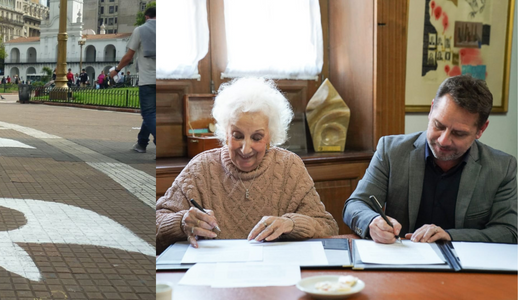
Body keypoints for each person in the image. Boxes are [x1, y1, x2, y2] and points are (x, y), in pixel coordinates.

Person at [155, 77, 339, 254]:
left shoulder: (290, 166)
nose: (246, 148)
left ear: (271, 136)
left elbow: (328, 227)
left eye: (257, 138)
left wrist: (292, 224)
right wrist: (181, 222)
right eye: (237, 135)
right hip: (215, 276)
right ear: (225, 133)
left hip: (275, 274)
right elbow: (155, 223)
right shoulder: (200, 168)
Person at [343, 74, 516, 244]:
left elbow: (509, 231)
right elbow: (355, 205)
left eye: (458, 133)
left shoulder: (501, 167)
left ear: (481, 129)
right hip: (402, 262)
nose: (443, 140)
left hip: (465, 268)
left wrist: (450, 236)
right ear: (431, 109)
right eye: (438, 126)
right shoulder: (391, 150)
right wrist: (372, 221)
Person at [111, 6, 156, 153]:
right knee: (152, 114)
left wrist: (116, 70)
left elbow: (129, 56)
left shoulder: (140, 30)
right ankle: (141, 143)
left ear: (146, 17)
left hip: (148, 79)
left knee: (149, 113)